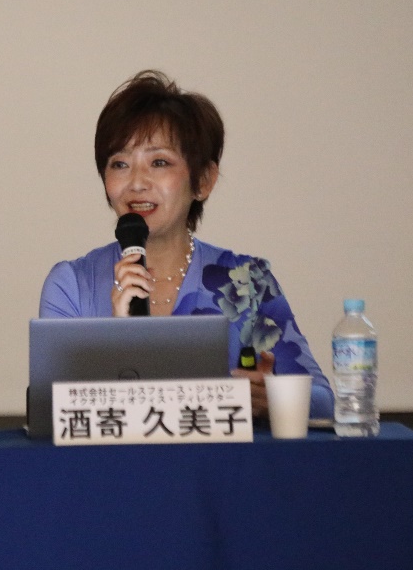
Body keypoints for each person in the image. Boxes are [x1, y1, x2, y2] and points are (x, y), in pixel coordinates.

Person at [39, 70, 333, 419]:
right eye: (119, 164)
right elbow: (50, 411)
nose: (136, 183)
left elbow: (325, 401)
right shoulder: (72, 284)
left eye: (159, 162)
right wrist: (120, 339)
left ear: (203, 181)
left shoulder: (246, 283)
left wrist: (271, 398)